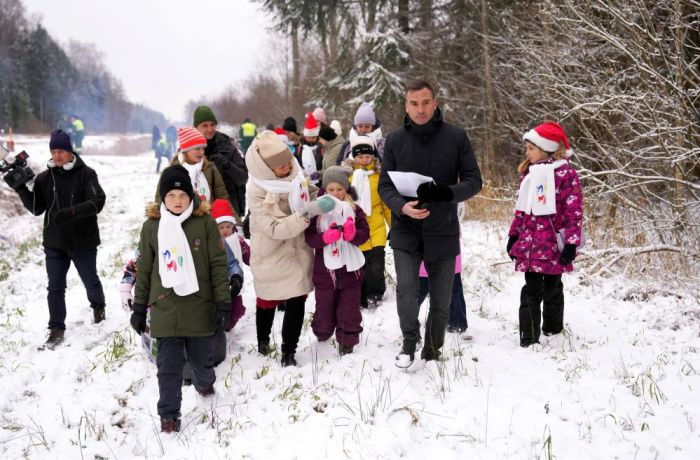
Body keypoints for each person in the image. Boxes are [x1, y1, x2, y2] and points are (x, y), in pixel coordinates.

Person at [378, 79, 482, 368]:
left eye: (425, 102)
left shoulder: (456, 137)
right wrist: (401, 206)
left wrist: (448, 193)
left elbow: (475, 180)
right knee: (406, 289)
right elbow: (384, 185)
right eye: (414, 103)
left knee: (441, 296)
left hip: (443, 227)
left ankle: (433, 351)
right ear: (406, 106)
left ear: (435, 103)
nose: (420, 109)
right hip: (406, 226)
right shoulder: (395, 140)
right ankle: (409, 343)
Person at [130, 165, 231, 433]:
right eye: (171, 195)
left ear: (191, 197)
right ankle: (169, 416)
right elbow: (145, 270)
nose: (177, 201)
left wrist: (223, 303)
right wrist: (140, 307)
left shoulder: (205, 224)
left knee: (202, 362)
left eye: (182, 196)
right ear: (162, 198)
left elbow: (218, 265)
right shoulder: (152, 227)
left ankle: (205, 383)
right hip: (166, 306)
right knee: (168, 368)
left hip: (200, 305)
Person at [245, 130, 336, 366]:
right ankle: (263, 341)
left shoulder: (295, 172)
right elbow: (274, 228)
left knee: (297, 300)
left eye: (288, 161)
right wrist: (307, 213)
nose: (287, 167)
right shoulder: (256, 189)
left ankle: (288, 352)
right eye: (281, 166)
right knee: (267, 300)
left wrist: (330, 194)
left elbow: (309, 191)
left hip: (298, 250)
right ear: (267, 168)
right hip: (271, 253)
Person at [13, 129, 106, 348]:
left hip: (83, 241)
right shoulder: (45, 178)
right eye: (53, 151)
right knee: (55, 286)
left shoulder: (87, 174)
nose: (57, 156)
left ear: (70, 151)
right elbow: (36, 208)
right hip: (55, 243)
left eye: (61, 151)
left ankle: (98, 306)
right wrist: (20, 190)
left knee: (89, 279)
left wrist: (73, 211)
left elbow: (97, 202)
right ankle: (56, 329)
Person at [506, 122, 583, 347]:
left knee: (552, 288)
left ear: (545, 148)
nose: (526, 152)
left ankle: (553, 329)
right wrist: (514, 236)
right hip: (530, 244)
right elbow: (521, 209)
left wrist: (571, 243)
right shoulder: (529, 174)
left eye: (530, 148)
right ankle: (528, 337)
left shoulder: (565, 173)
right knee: (531, 290)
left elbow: (573, 210)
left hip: (551, 244)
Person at [304, 167, 370, 355]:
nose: (335, 193)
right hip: (325, 273)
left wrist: (353, 234)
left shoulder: (355, 209)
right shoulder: (317, 211)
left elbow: (364, 235)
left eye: (340, 189)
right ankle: (322, 331)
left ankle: (347, 341)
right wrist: (324, 238)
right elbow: (309, 238)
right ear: (325, 189)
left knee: (349, 309)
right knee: (324, 307)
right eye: (331, 189)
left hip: (351, 271)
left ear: (346, 189)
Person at [344, 135, 392, 309]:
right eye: (360, 157)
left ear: (373, 156)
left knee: (376, 266)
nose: (364, 160)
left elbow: (386, 204)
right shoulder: (347, 178)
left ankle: (375, 294)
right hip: (356, 229)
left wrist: (393, 226)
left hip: (376, 228)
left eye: (368, 156)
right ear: (353, 157)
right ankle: (360, 294)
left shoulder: (379, 176)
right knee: (359, 265)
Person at [416, 203, 468, 333]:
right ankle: (409, 319)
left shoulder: (454, 190)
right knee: (420, 287)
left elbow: (459, 211)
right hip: (426, 243)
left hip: (448, 242)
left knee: (453, 287)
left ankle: (457, 322)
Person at [193, 106, 248, 216]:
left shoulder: (228, 147)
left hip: (227, 212)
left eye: (212, 124)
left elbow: (242, 178)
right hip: (198, 211)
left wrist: (227, 165)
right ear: (196, 127)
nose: (210, 129)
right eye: (205, 125)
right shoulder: (187, 151)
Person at [155, 127, 228, 203]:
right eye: (197, 149)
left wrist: (229, 214)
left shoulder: (210, 168)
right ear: (186, 151)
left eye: (203, 148)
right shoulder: (169, 172)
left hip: (209, 214)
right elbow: (160, 201)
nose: (202, 152)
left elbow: (223, 197)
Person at [297, 112, 323, 185]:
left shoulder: (320, 147)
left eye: (313, 137)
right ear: (305, 136)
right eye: (309, 137)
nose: (311, 139)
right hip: (305, 179)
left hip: (319, 180)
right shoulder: (300, 148)